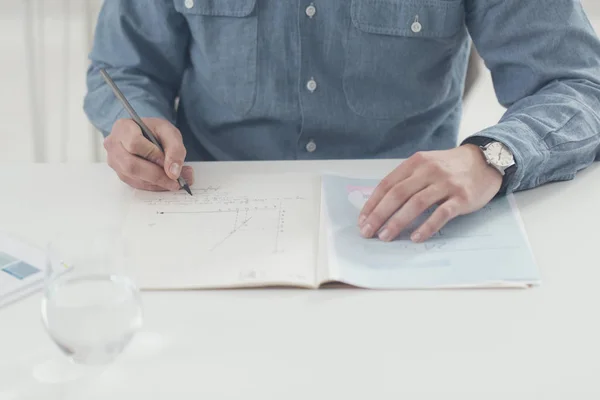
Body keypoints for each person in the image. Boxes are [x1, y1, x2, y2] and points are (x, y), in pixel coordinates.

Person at [84, 1, 600, 243]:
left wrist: (489, 157)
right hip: (203, 219)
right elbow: (125, 66)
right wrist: (136, 124)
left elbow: (581, 84)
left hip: (409, 231)